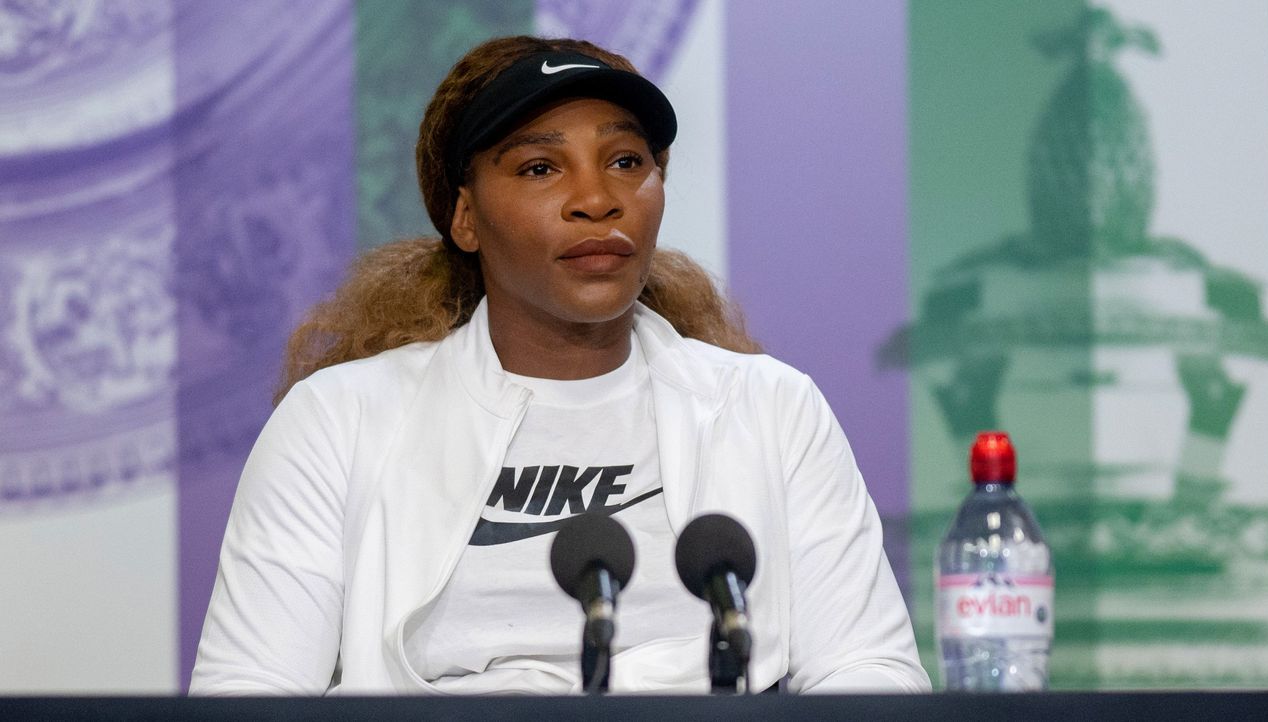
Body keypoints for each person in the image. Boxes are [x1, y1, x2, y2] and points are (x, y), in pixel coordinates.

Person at [190, 35, 929, 695]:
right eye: (542, 166)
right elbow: (249, 691)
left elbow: (870, 671)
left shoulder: (772, 408)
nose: (597, 199)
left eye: (626, 161)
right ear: (466, 217)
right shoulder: (338, 420)